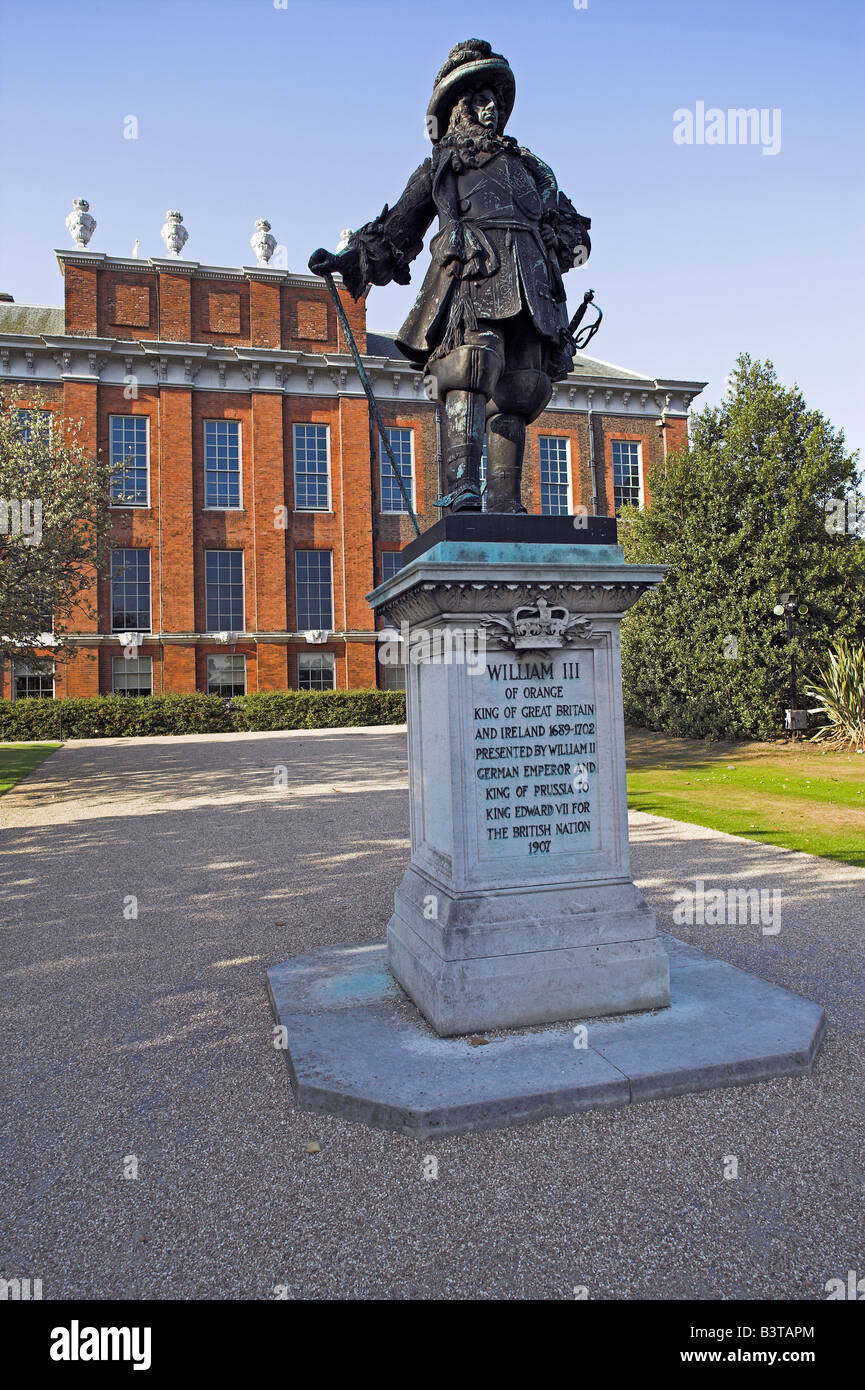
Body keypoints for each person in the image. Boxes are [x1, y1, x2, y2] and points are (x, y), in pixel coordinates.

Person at [309, 38, 591, 514]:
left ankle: (505, 500)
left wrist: (572, 245)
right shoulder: (442, 166)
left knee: (523, 385)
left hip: (531, 282)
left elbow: (566, 227)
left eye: (493, 101)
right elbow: (398, 226)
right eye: (478, 99)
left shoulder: (531, 169)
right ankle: (462, 487)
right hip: (474, 274)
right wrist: (348, 258)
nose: (489, 109)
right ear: (458, 108)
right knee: (472, 366)